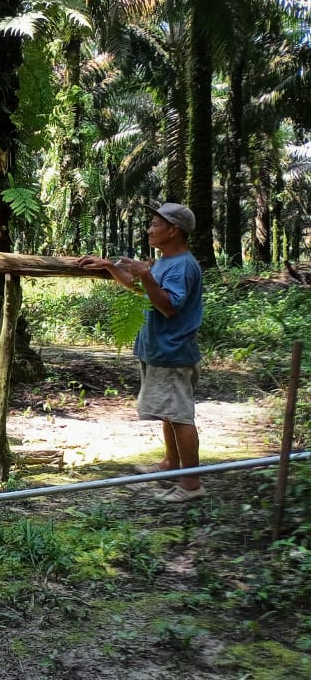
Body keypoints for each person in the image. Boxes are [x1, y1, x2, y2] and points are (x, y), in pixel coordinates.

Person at [79, 202, 205, 503]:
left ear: (173, 230)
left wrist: (145, 275)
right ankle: (170, 464)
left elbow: (169, 307)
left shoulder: (181, 266)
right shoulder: (165, 261)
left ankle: (191, 483)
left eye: (155, 224)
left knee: (179, 416)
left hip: (173, 352)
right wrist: (111, 267)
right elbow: (142, 291)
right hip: (158, 350)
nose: (149, 229)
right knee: (168, 413)